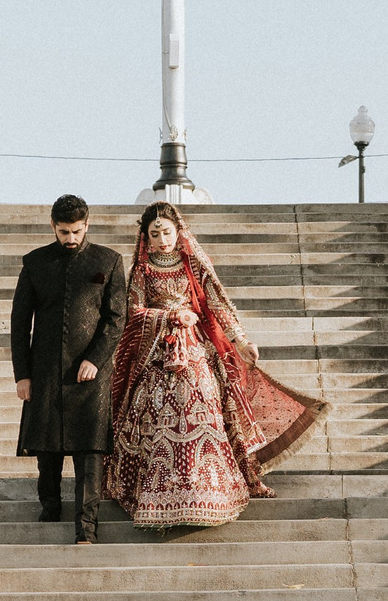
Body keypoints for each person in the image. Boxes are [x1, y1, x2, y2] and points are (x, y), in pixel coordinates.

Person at [101, 202, 325, 529]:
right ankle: (161, 492)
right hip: (158, 354)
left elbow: (217, 302)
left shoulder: (194, 266)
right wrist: (170, 316)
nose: (162, 239)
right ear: (146, 238)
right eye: (155, 234)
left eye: (167, 232)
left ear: (179, 232)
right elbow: (135, 312)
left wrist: (241, 341)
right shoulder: (143, 269)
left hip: (197, 352)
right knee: (157, 412)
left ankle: (208, 490)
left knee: (206, 408)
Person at [9, 194, 131, 545]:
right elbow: (20, 323)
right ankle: (49, 512)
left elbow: (116, 319)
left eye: (77, 231)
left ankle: (86, 529)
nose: (71, 238)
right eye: (64, 231)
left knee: (90, 452)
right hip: (45, 371)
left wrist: (96, 358)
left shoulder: (108, 261)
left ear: (87, 225)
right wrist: (23, 375)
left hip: (92, 373)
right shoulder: (34, 263)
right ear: (53, 226)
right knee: (46, 451)